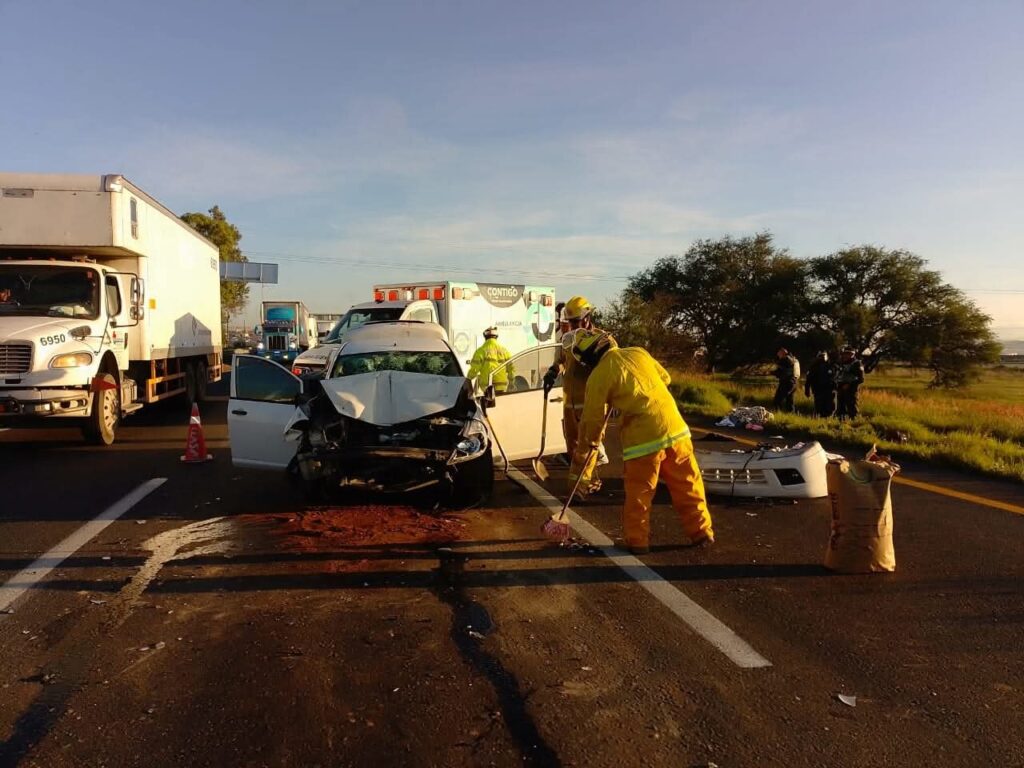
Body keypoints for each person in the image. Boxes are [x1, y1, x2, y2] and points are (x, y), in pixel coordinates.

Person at [569, 329, 713, 555]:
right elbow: (665, 378)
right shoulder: (638, 352)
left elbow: (591, 420)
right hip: (676, 430)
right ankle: (701, 532)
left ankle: (638, 542)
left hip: (643, 442)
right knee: (688, 484)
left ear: (588, 357)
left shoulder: (599, 376)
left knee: (640, 494)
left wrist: (588, 446)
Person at [542, 296, 610, 492]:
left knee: (588, 447)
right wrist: (552, 372)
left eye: (576, 322)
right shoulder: (568, 339)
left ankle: (585, 485)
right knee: (572, 447)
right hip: (569, 403)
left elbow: (610, 369)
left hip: (591, 403)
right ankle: (583, 482)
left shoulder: (602, 340)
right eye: (570, 322)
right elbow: (562, 360)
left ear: (587, 318)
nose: (572, 326)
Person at [467, 326, 514, 393]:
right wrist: (511, 382)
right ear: (496, 337)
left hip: (487, 387)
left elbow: (474, 370)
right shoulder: (505, 351)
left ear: (485, 337)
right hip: (501, 387)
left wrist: (468, 380)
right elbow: (511, 368)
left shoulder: (481, 351)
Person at [804, 351, 837, 417]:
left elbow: (836, 377)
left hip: (829, 390)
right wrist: (807, 390)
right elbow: (809, 379)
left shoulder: (832, 365)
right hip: (818, 390)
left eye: (824, 356)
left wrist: (836, 387)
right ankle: (820, 420)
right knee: (819, 407)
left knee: (830, 407)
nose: (822, 357)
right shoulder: (813, 367)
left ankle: (828, 419)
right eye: (821, 356)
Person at [836, 347, 865, 420]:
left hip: (851, 389)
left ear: (853, 354)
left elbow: (861, 379)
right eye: (845, 354)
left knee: (852, 407)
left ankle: (854, 422)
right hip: (840, 387)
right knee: (840, 407)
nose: (846, 355)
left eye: (849, 354)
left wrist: (849, 385)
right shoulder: (841, 363)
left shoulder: (857, 364)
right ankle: (841, 422)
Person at [772, 347, 800, 412]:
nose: (778, 356)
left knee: (777, 400)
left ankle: (777, 414)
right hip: (794, 383)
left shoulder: (785, 360)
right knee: (790, 401)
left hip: (786, 383)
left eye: (779, 354)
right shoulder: (794, 359)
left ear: (782, 353)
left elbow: (781, 372)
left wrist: (771, 372)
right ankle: (791, 414)